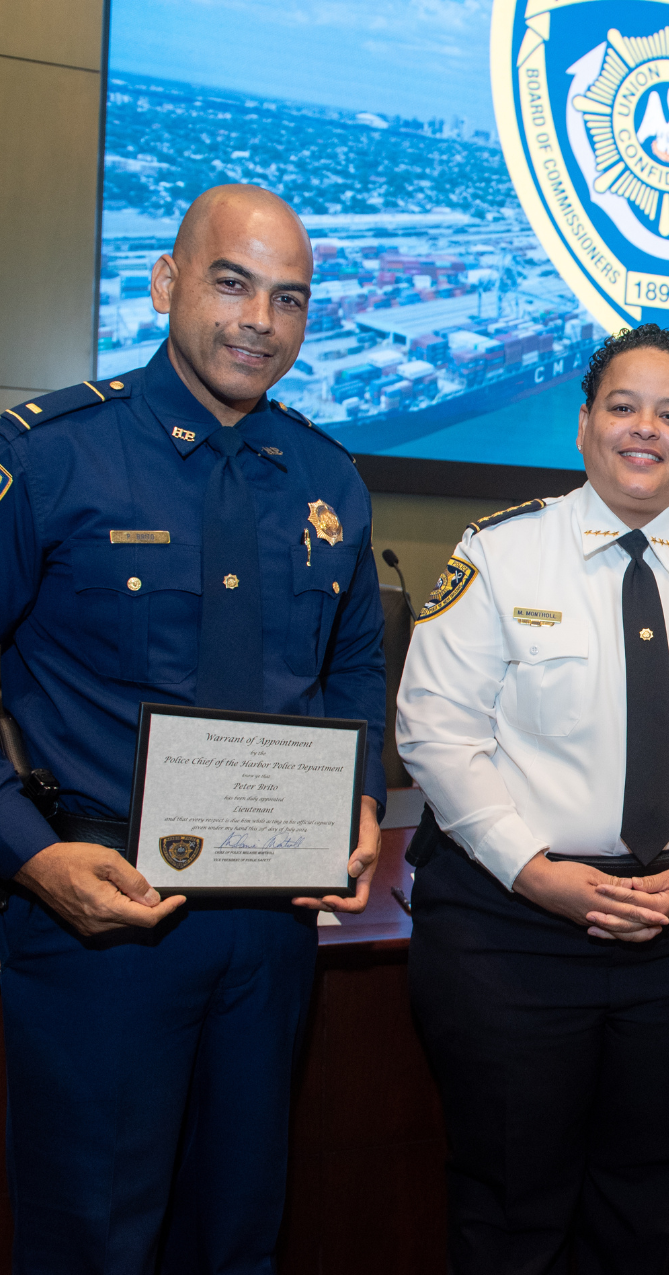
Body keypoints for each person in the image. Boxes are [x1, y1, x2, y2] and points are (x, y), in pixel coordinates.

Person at [0, 184, 385, 1273]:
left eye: (291, 299)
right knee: (97, 1238)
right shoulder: (46, 457)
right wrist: (30, 859)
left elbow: (352, 662)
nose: (260, 320)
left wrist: (360, 799)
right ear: (166, 282)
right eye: (232, 283)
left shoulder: (329, 479)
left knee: (239, 1231)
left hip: (270, 930)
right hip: (100, 917)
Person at [397, 323, 669, 1275]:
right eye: (624, 407)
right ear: (585, 424)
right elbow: (437, 729)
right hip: (510, 929)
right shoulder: (503, 555)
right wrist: (531, 869)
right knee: (509, 1194)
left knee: (658, 1199)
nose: (647, 429)